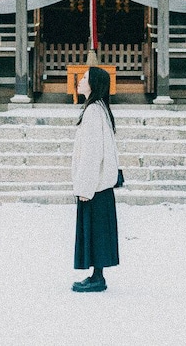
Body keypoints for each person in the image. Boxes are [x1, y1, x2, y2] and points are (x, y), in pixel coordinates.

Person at [71, 66, 120, 293]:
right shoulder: (100, 109)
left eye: (84, 78)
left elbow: (92, 152)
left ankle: (97, 278)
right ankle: (97, 275)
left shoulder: (93, 111)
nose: (80, 81)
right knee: (99, 230)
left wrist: (85, 187)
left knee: (94, 231)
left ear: (94, 84)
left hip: (95, 185)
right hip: (100, 184)